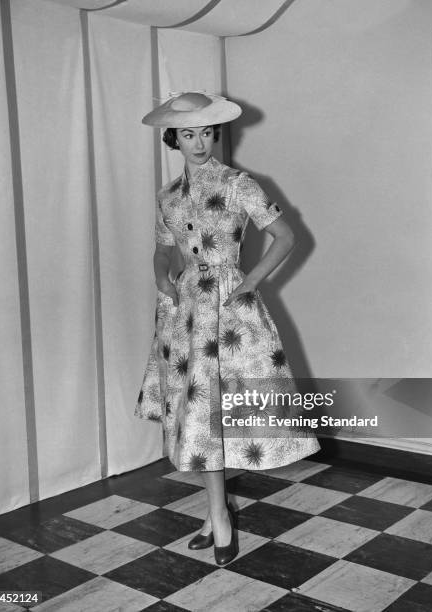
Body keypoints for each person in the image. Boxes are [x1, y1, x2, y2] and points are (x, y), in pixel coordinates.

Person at [135, 92, 320, 566]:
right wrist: (162, 277)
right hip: (186, 314)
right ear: (173, 138)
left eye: (207, 132)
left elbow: (286, 236)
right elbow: (163, 249)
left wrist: (251, 282)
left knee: (220, 413)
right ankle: (216, 512)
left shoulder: (239, 184)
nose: (199, 142)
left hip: (230, 311)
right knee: (197, 417)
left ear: (216, 134)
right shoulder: (167, 197)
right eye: (189, 133)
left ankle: (218, 516)